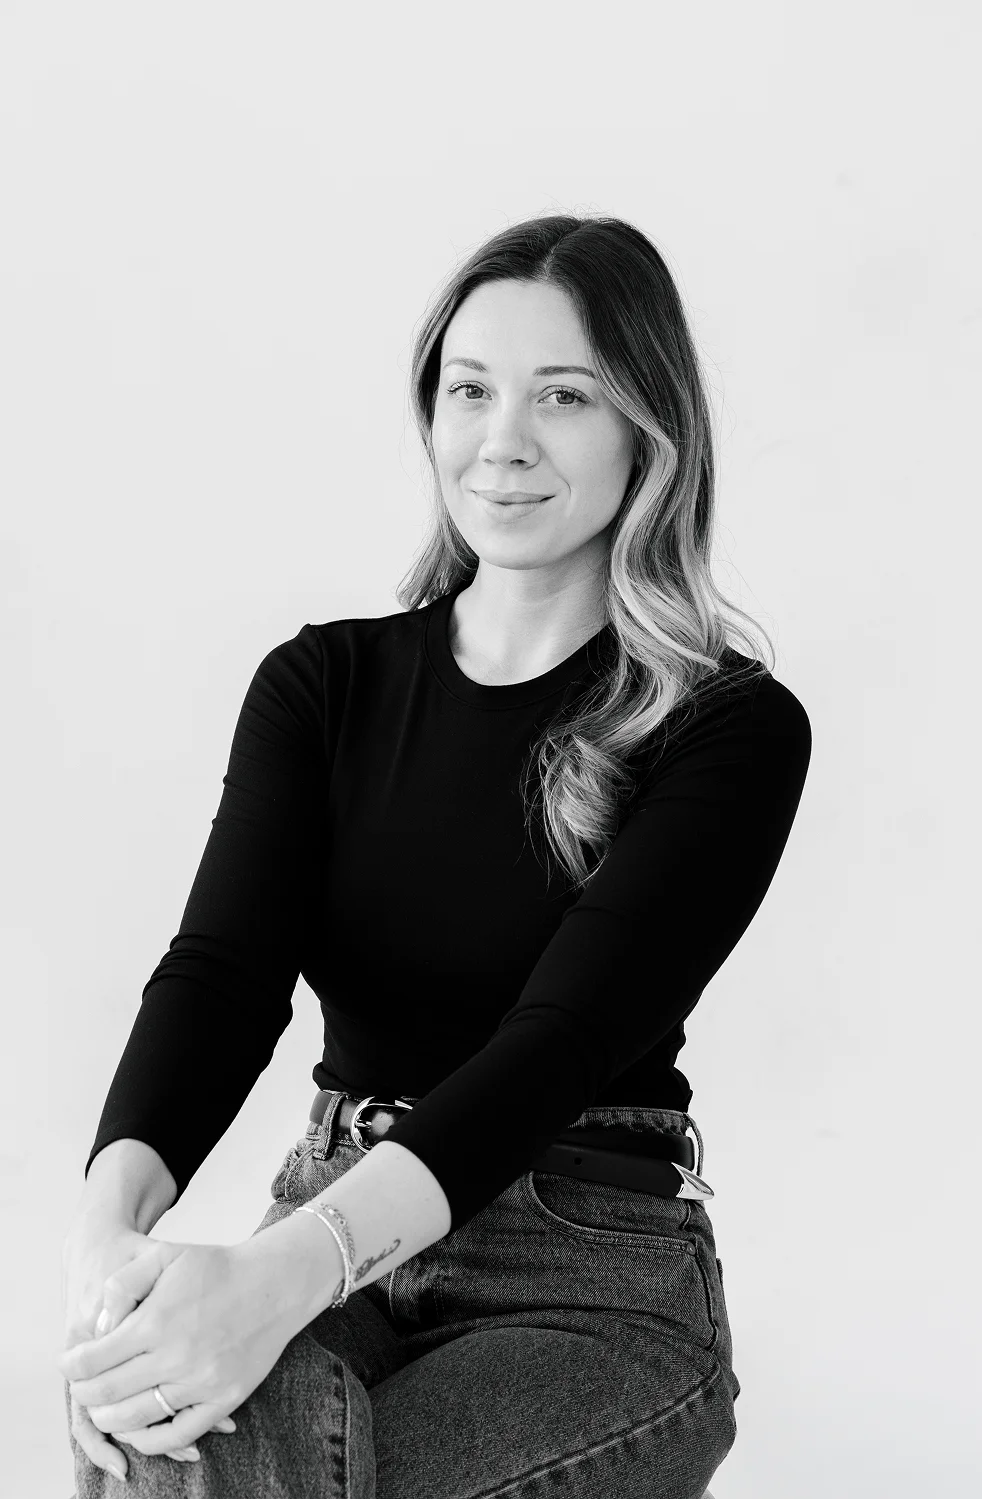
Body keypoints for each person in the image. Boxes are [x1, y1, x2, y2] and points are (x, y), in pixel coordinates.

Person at [58, 212, 812, 1499]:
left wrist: (283, 1274)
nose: (502, 439)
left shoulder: (724, 727)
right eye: (470, 390)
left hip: (588, 1272)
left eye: (563, 395)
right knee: (174, 1397)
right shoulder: (324, 683)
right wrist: (107, 1252)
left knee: (226, 1446)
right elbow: (221, 974)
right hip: (323, 1203)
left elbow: (555, 1042)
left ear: (650, 428)